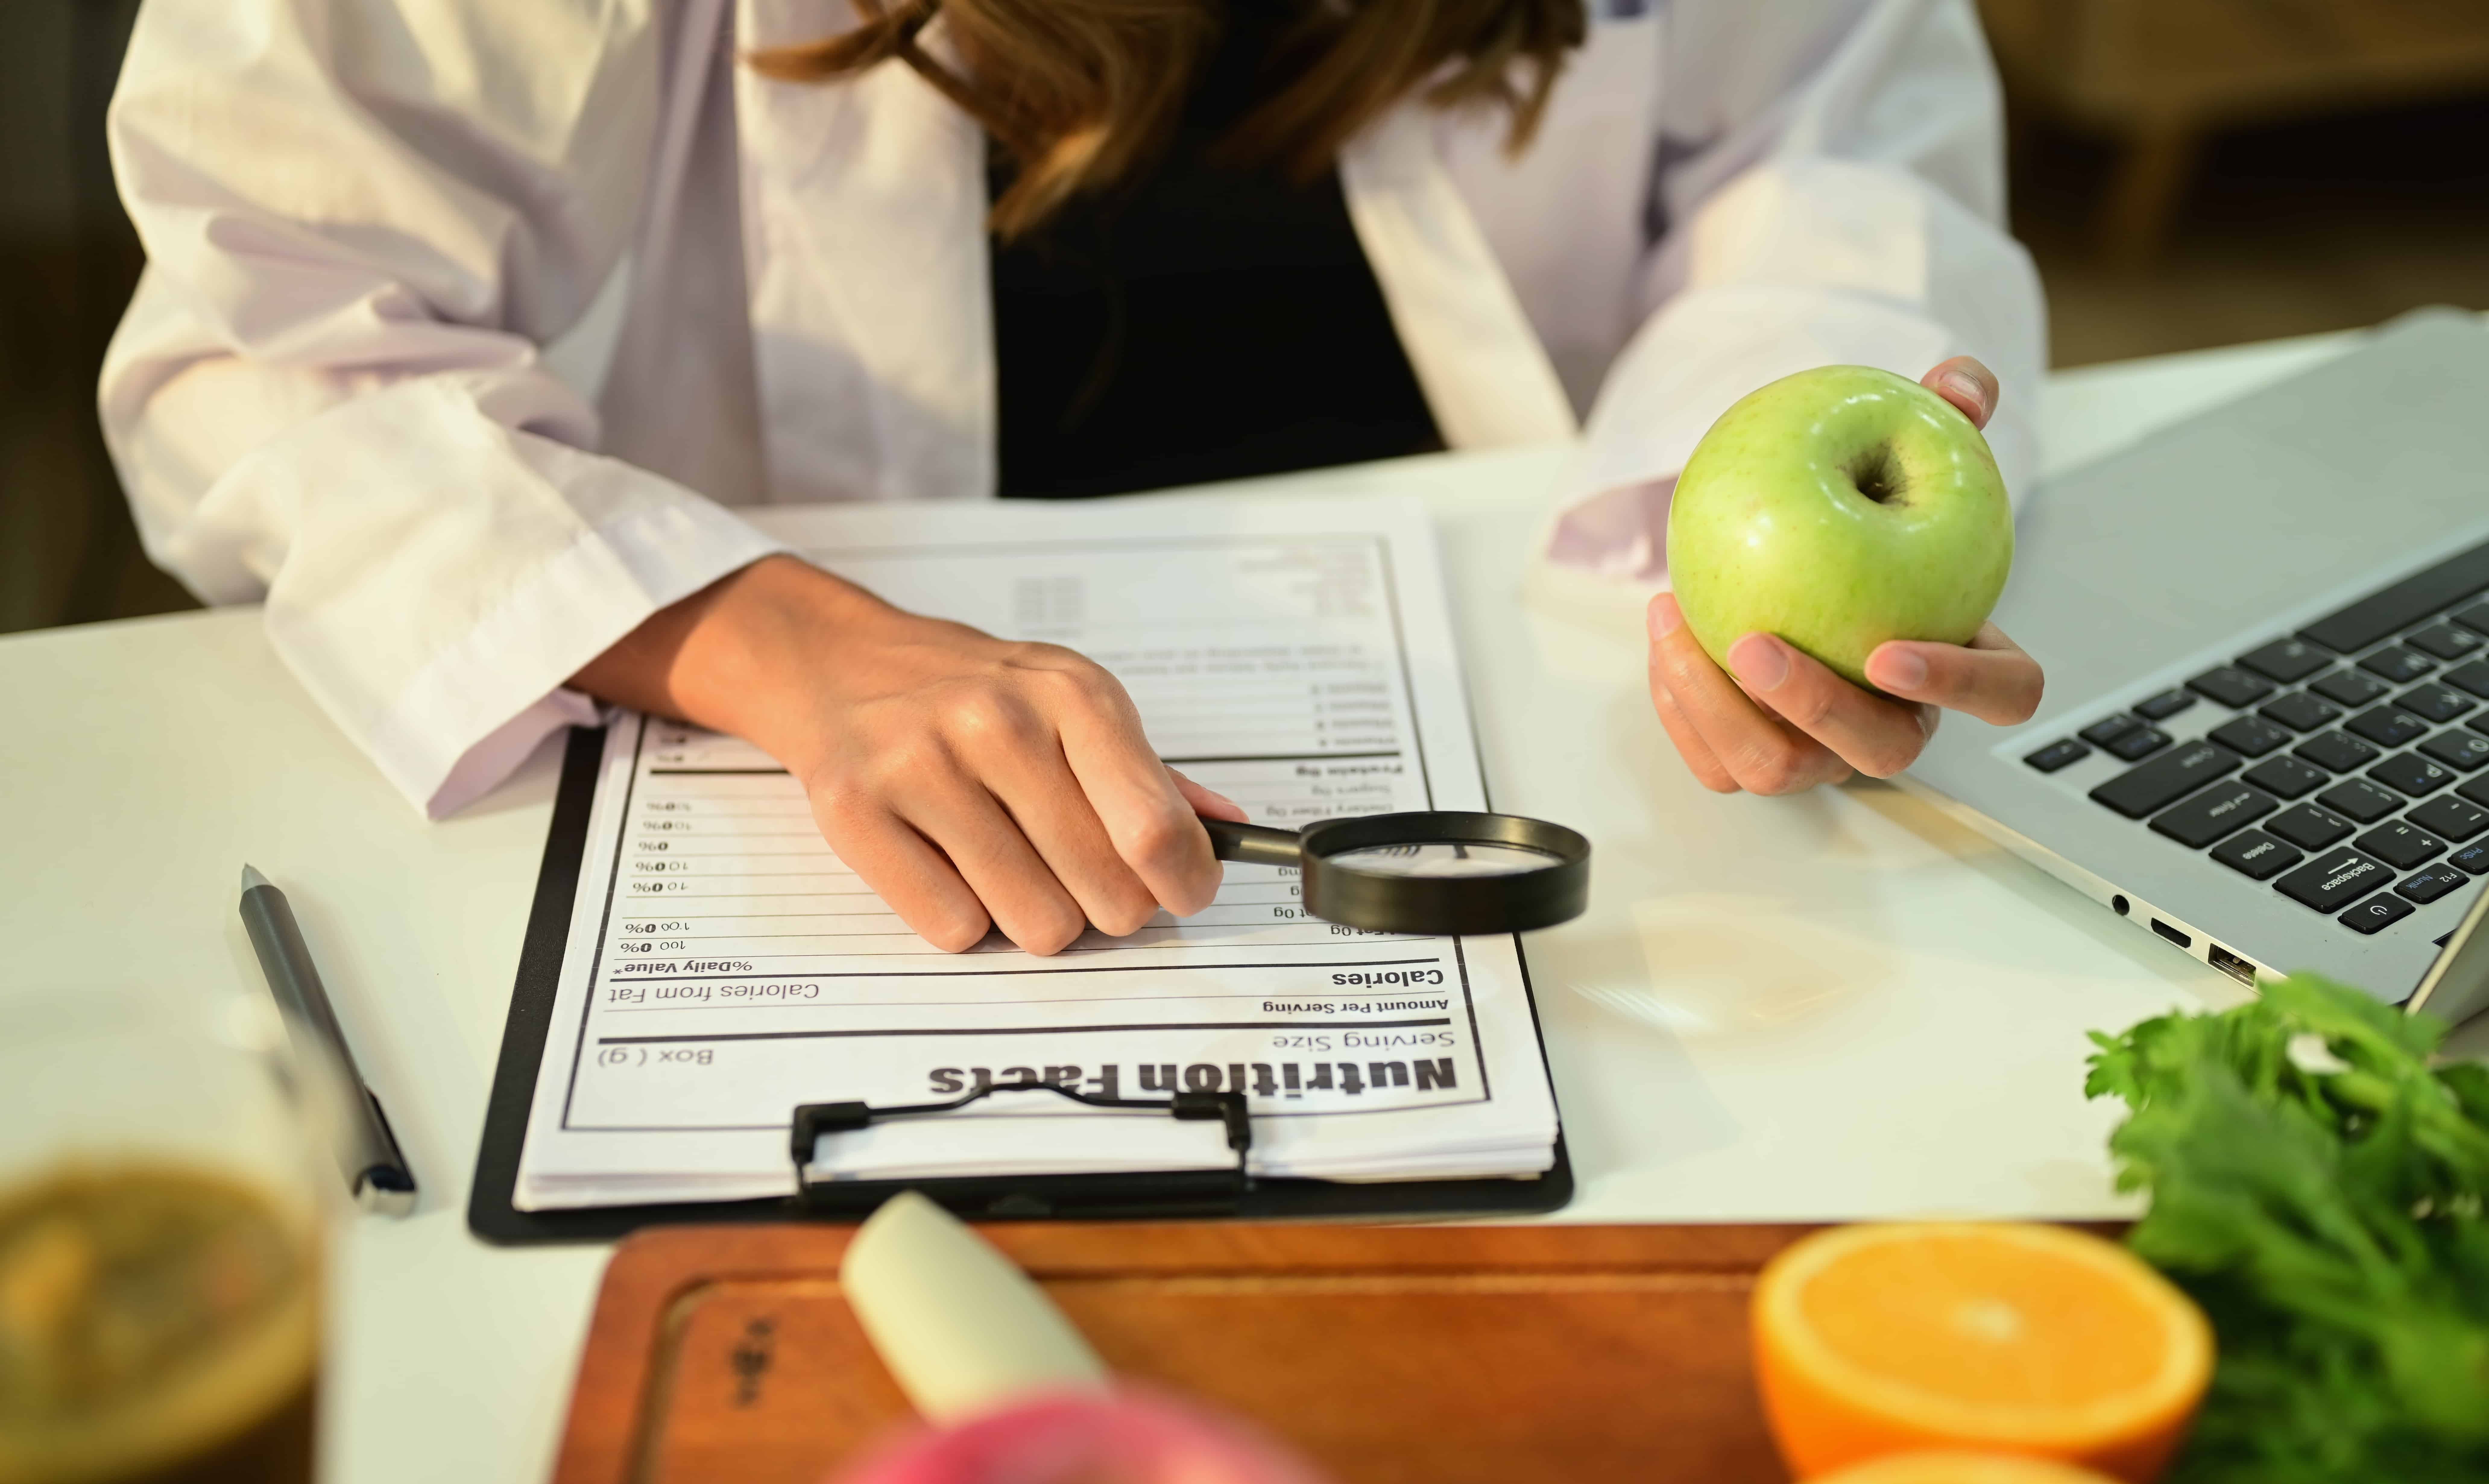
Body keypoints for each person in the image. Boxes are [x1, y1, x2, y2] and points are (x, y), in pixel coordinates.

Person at [102, 0, 2046, 956]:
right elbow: (257, 336)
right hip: (803, 737)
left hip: (1535, 666)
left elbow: (1834, 137)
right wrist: (762, 637)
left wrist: (1785, 518)